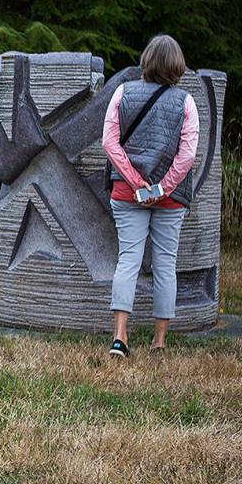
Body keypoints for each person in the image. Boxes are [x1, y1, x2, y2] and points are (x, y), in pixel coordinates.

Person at [101, 34, 200, 357]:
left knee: (127, 261)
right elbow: (187, 156)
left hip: (127, 194)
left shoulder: (122, 92)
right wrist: (162, 188)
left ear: (146, 60)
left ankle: (120, 338)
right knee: (165, 264)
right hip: (170, 199)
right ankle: (158, 342)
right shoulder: (186, 102)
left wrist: (136, 183)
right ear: (177, 65)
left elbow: (109, 143)